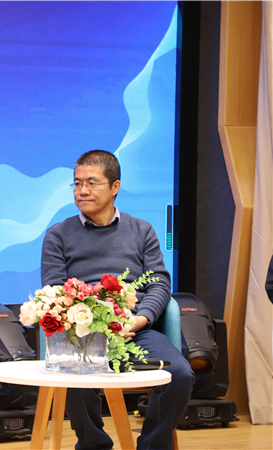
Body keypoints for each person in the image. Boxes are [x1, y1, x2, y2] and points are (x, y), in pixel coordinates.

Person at [41, 150, 194, 450]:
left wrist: (140, 319)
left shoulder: (141, 230)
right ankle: (94, 445)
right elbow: (55, 290)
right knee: (73, 379)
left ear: (115, 187)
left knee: (179, 374)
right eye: (77, 183)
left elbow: (159, 283)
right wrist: (92, 322)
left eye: (92, 183)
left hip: (135, 331)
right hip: (83, 335)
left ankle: (151, 445)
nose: (82, 190)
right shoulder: (58, 234)